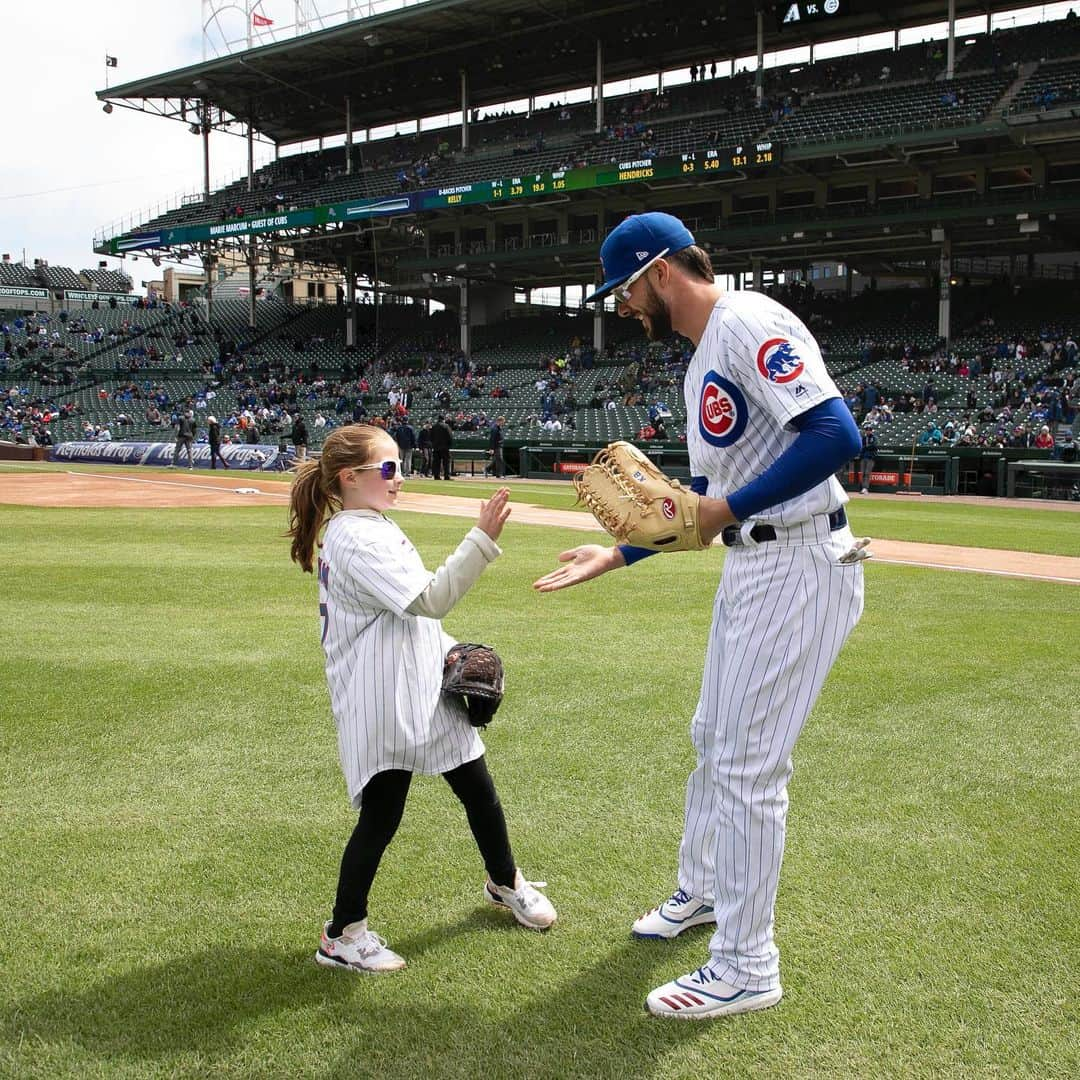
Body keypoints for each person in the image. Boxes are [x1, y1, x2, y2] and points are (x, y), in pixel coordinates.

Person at [534, 212, 865, 1020]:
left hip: (795, 562)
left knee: (750, 768)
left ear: (657, 273)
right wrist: (618, 553)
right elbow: (698, 515)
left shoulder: (746, 319)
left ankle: (748, 966)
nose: (621, 308)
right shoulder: (700, 360)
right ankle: (706, 890)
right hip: (756, 562)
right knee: (713, 740)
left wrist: (729, 508)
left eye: (622, 290)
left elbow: (837, 433)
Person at [287, 424, 555, 973]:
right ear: (351, 477)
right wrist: (480, 539)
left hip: (421, 681)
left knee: (479, 789)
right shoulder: (357, 536)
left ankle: (507, 882)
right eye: (388, 469)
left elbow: (411, 621)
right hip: (382, 695)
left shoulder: (370, 524)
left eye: (400, 465)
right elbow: (428, 600)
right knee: (382, 817)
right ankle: (342, 934)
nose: (400, 477)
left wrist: (453, 652)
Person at [430, 414, 453, 480]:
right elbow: (450, 437)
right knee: (446, 462)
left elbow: (431, 437)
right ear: (443, 419)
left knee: (436, 462)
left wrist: (434, 444)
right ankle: (446, 476)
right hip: (445, 447)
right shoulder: (446, 426)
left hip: (436, 447)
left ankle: (436, 476)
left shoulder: (434, 426)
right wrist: (449, 445)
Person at [859, 422, 877, 493]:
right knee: (863, 473)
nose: (868, 431)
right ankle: (862, 487)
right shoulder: (864, 438)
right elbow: (861, 447)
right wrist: (866, 447)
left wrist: (866, 447)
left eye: (869, 430)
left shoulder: (874, 438)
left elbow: (874, 446)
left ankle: (865, 488)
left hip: (870, 458)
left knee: (867, 473)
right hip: (863, 457)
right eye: (867, 430)